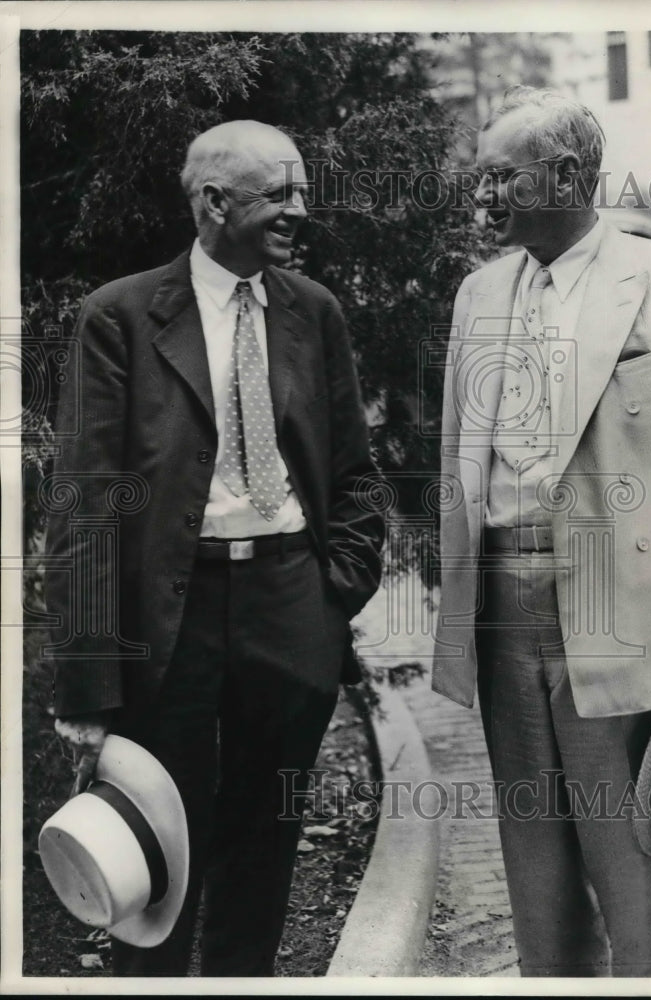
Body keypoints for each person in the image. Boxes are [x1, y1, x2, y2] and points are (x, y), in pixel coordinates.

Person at [432, 88, 651, 977]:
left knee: (634, 853)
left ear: (569, 175)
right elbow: (457, 461)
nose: (482, 198)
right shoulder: (477, 295)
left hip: (627, 612)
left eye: (501, 178)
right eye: (480, 180)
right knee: (533, 852)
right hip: (502, 605)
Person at [46, 120, 385, 976]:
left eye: (302, 192)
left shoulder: (314, 312)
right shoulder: (118, 317)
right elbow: (83, 502)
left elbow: (355, 471)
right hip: (171, 620)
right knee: (153, 850)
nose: (301, 211)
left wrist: (330, 591)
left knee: (264, 845)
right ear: (212, 202)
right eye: (282, 194)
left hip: (288, 607)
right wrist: (89, 677)